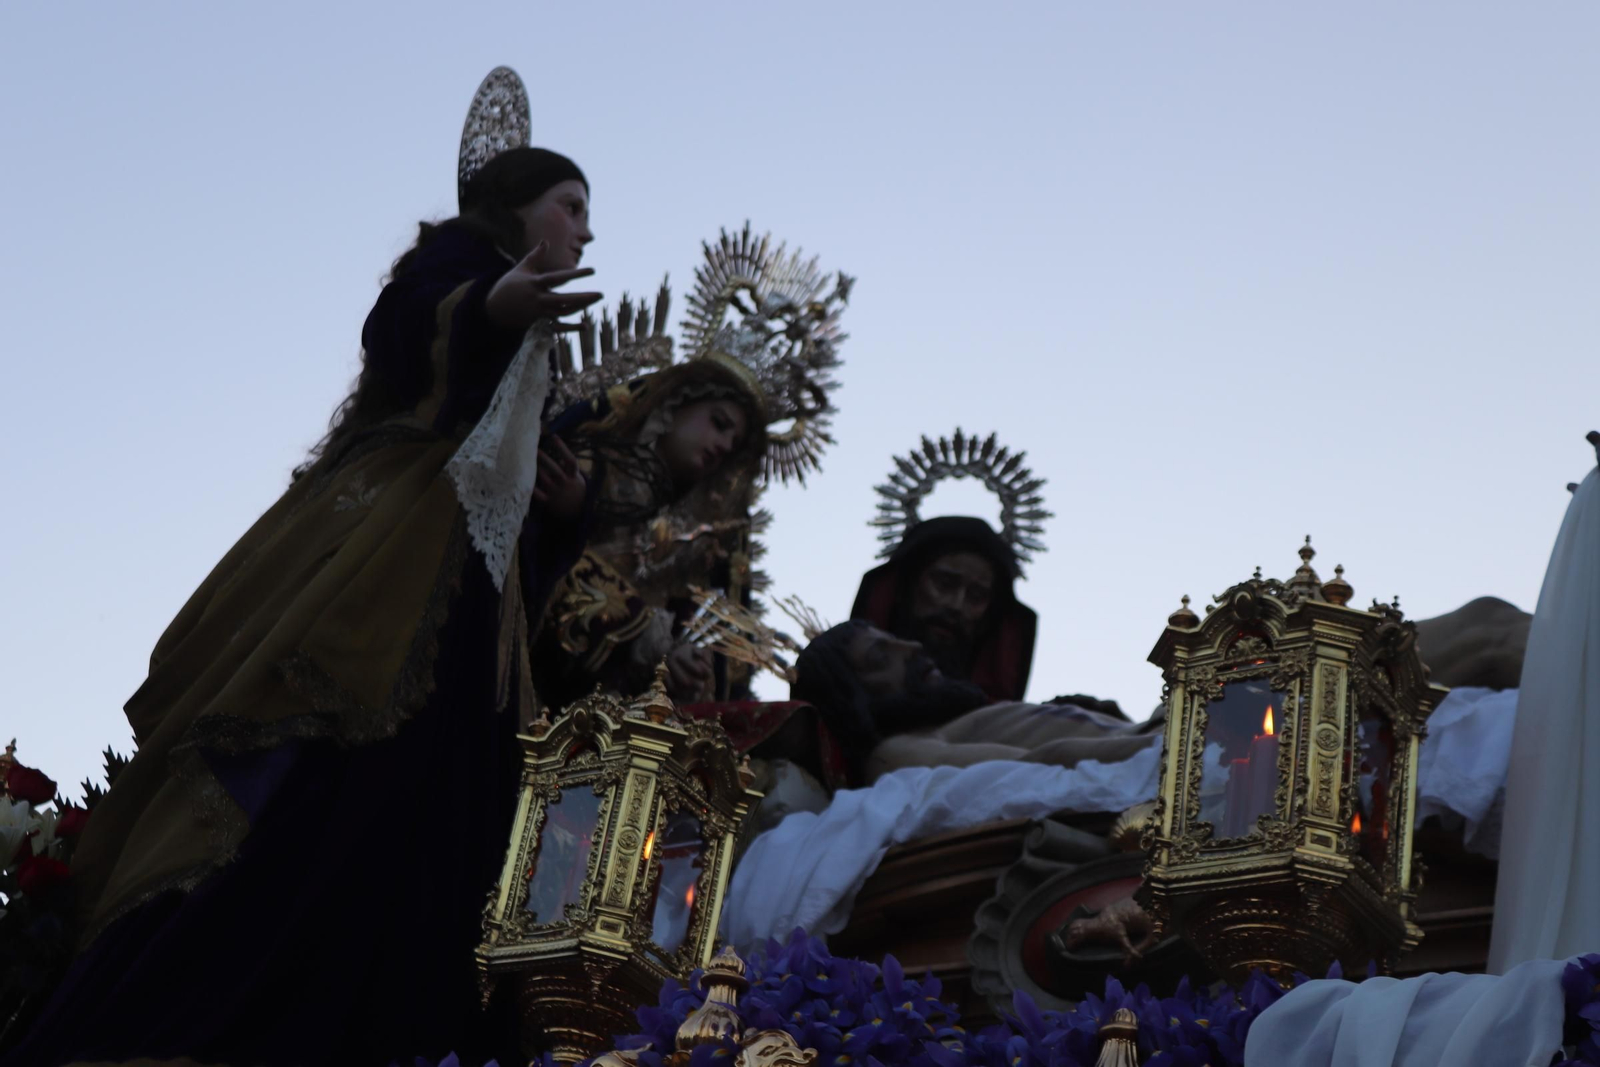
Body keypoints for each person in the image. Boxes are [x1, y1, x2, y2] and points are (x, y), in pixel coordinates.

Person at [1, 69, 613, 1066]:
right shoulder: (456, 263)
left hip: (468, 607)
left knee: (441, 810)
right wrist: (493, 300)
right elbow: (404, 327)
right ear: (513, 207)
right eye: (571, 206)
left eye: (590, 215)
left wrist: (569, 512)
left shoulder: (532, 315)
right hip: (383, 557)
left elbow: (515, 514)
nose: (585, 231)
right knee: (329, 779)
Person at [789, 620, 1159, 786]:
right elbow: (1036, 769)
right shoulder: (895, 754)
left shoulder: (953, 724)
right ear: (855, 700)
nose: (913, 647)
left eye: (897, 640)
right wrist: (1166, 748)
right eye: (881, 659)